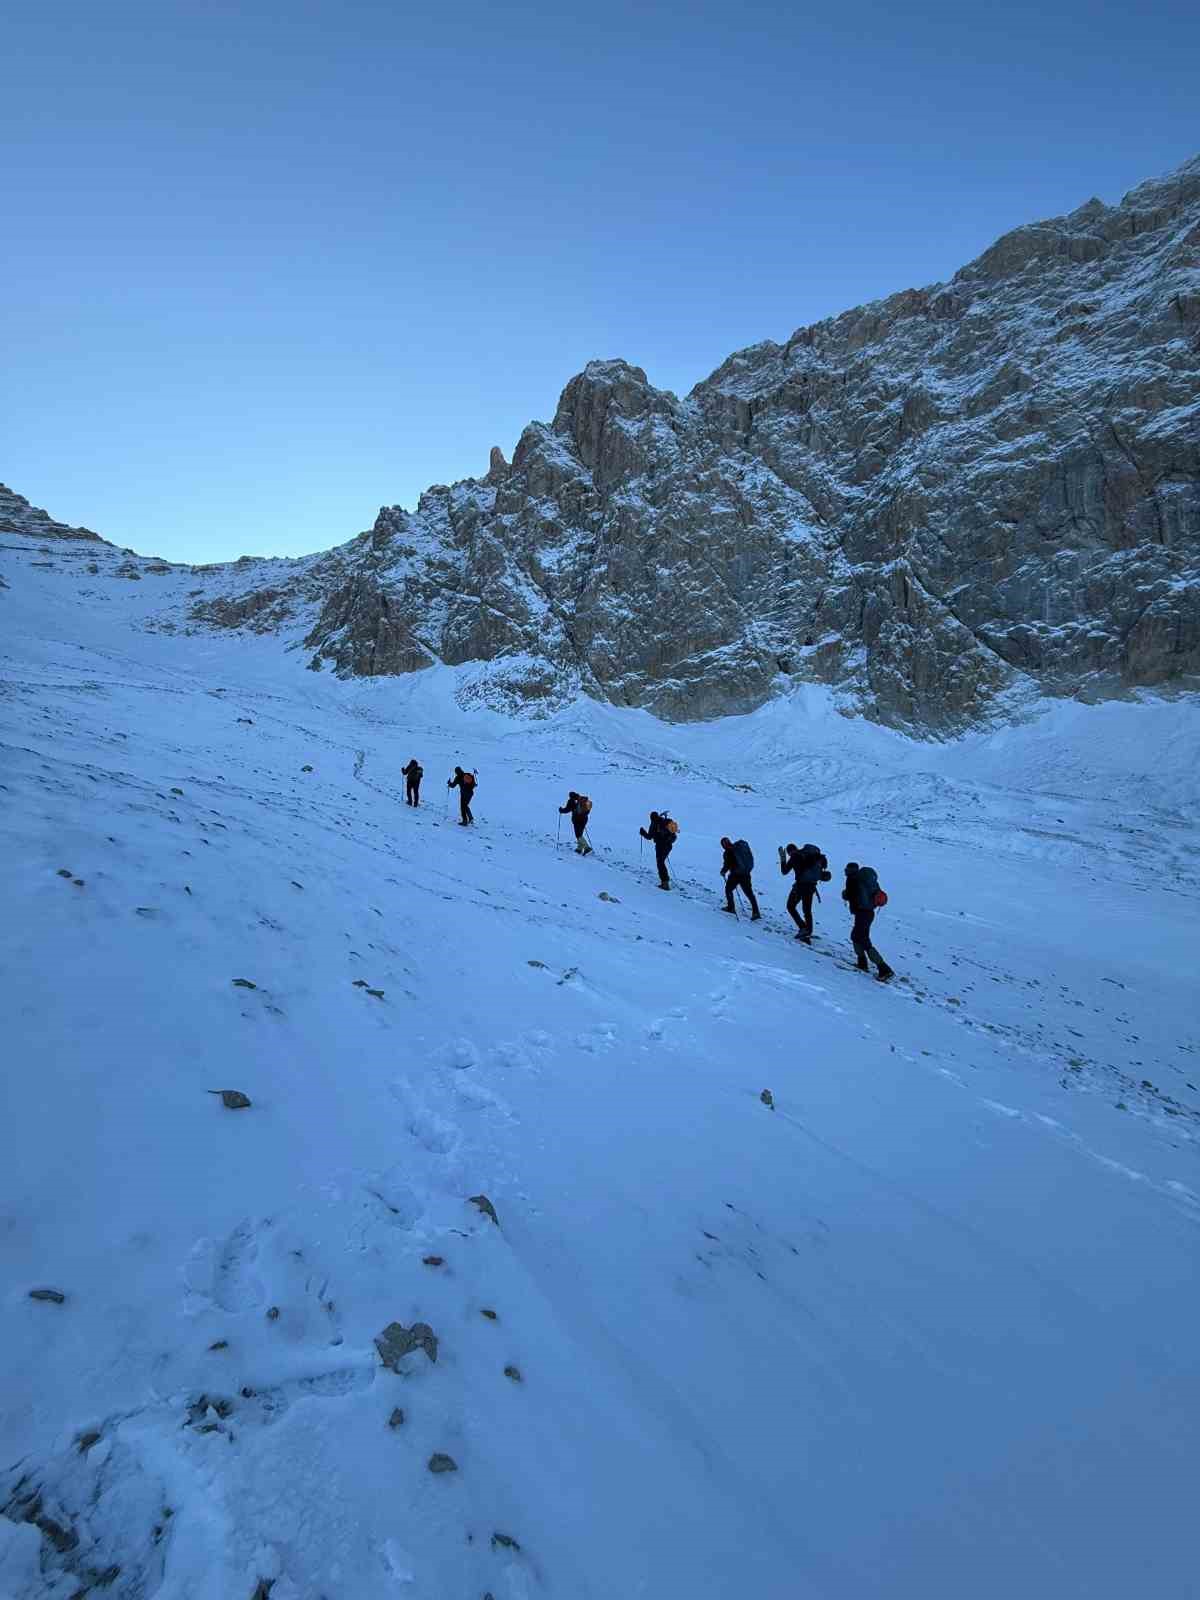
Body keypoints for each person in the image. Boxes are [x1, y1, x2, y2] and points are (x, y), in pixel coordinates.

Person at [841, 861, 894, 980]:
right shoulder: (866, 878)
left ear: (850, 870)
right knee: (857, 936)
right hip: (869, 912)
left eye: (846, 869)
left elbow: (850, 895)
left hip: (862, 913)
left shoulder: (852, 879)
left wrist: (844, 894)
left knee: (862, 939)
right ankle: (862, 963)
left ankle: (884, 968)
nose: (845, 871)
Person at [779, 842, 830, 942]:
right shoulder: (808, 856)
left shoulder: (794, 857)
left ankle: (803, 928)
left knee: (790, 906)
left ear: (789, 852)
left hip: (800, 886)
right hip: (811, 886)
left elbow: (784, 871)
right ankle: (808, 931)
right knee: (807, 910)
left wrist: (782, 858)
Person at [720, 837, 760, 919]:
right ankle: (756, 912)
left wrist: (723, 871)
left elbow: (727, 864)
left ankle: (731, 907)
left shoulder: (728, 852)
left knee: (728, 890)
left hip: (735, 875)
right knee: (749, 893)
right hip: (746, 873)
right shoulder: (738, 848)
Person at [639, 810, 676, 890]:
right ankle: (665, 881)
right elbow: (673, 834)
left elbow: (649, 837)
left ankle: (665, 883)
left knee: (660, 863)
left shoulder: (654, 824)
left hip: (660, 846)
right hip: (668, 846)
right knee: (661, 862)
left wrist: (642, 832)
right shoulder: (665, 821)